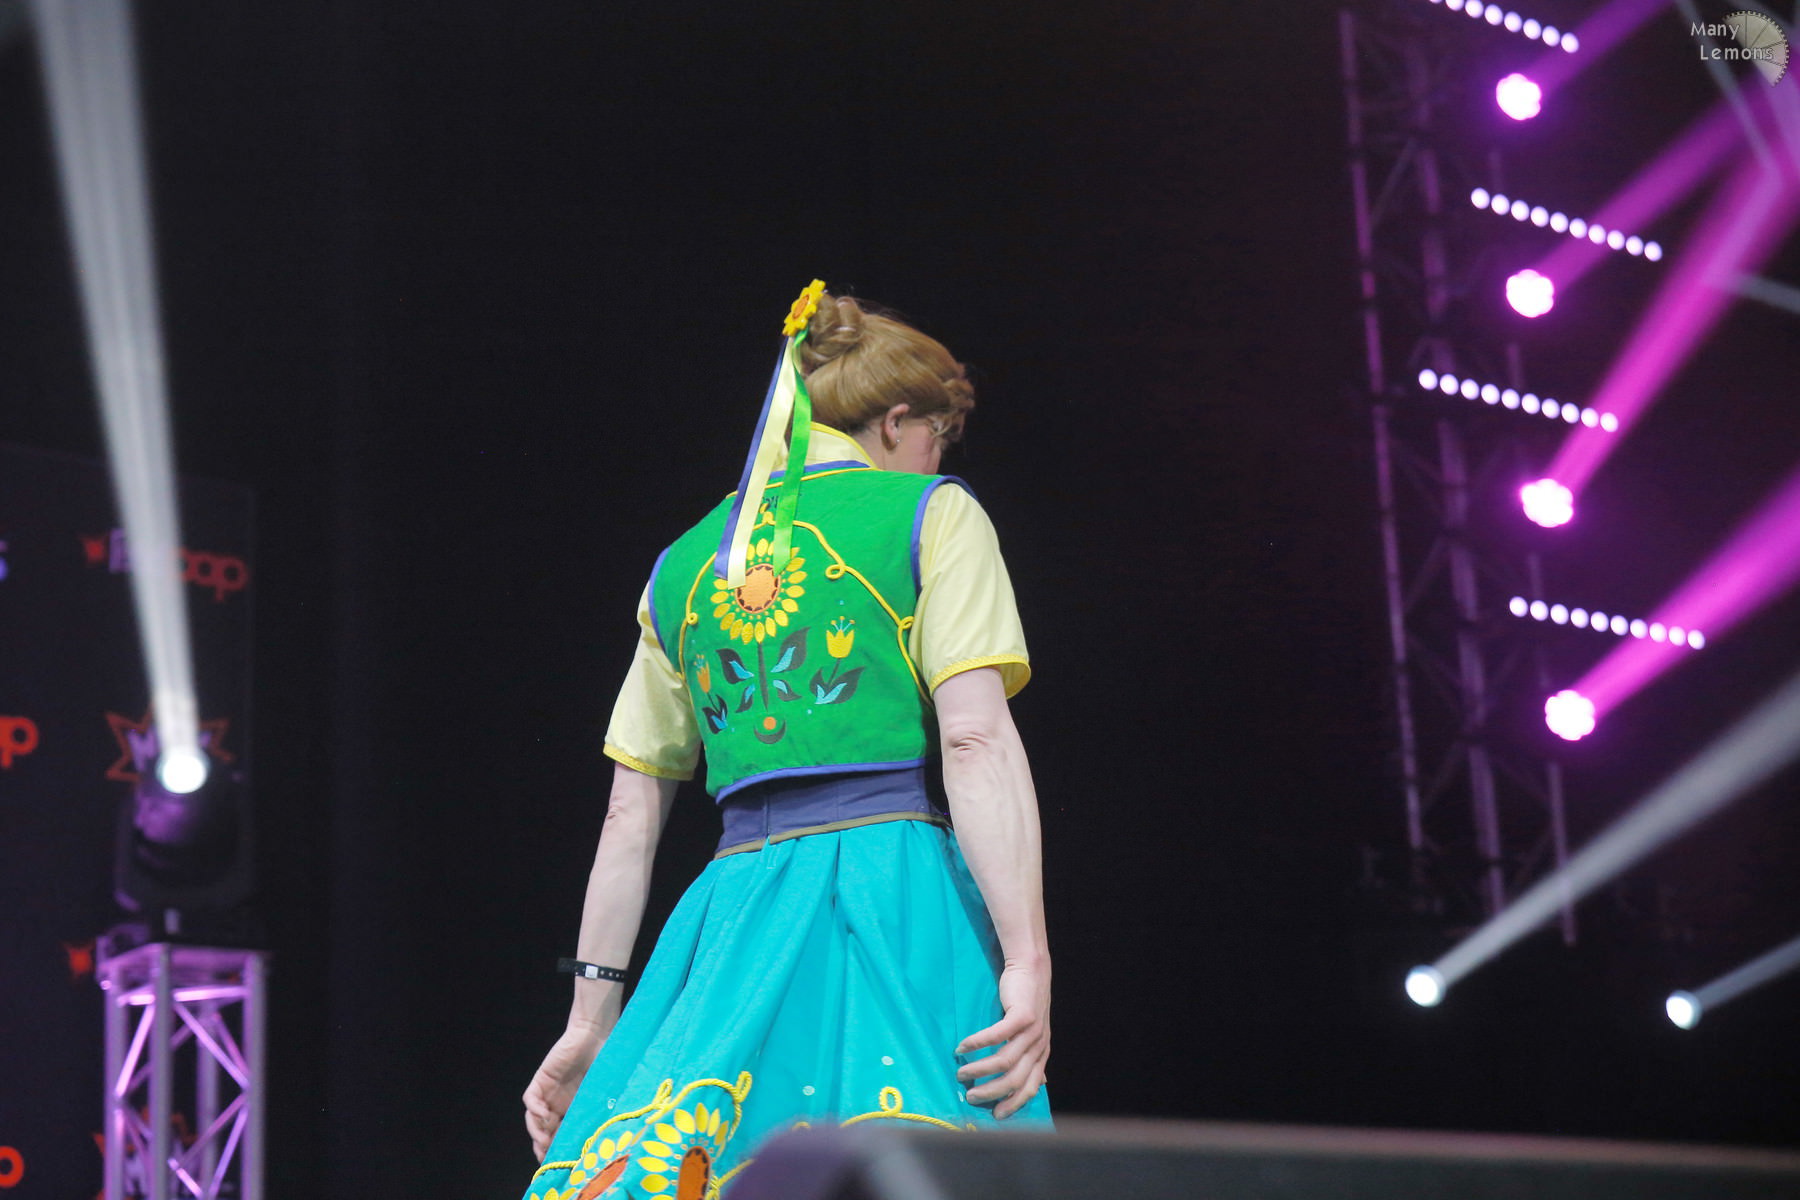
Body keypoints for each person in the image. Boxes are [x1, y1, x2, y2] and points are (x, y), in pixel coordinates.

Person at [518, 282, 1051, 1200]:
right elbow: (973, 742)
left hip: (733, 919)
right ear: (895, 422)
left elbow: (628, 817)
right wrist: (1025, 958)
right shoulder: (930, 513)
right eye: (935, 436)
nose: (934, 459)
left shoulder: (684, 566)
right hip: (893, 890)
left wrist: (589, 1020)